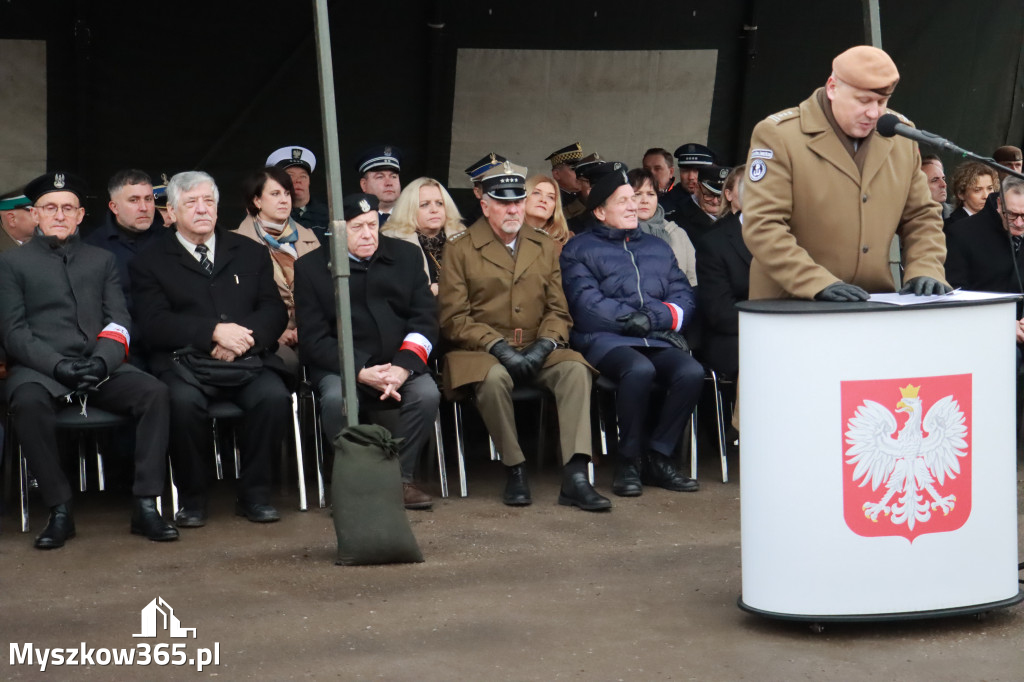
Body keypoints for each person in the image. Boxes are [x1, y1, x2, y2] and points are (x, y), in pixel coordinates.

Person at [0, 171, 178, 549]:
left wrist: (102, 361)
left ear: (81, 215)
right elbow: (14, 332)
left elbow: (119, 320)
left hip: (101, 367)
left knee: (155, 392)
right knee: (27, 402)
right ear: (35, 214)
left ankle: (146, 504)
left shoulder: (102, 260)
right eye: (50, 208)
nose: (60, 215)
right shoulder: (11, 265)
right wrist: (56, 365)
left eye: (68, 208)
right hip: (41, 370)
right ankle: (60, 510)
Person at [438, 160, 610, 511]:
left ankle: (576, 475)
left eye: (518, 201)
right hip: (481, 349)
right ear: (485, 204)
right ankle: (515, 468)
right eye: (503, 202)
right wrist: (497, 346)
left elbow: (558, 309)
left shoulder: (543, 244)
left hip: (537, 342)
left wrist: (546, 343)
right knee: (493, 377)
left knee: (576, 370)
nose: (513, 209)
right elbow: (454, 318)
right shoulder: (460, 247)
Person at [129, 171, 291, 528]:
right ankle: (193, 499)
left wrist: (242, 340)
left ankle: (255, 496)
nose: (202, 210)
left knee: (273, 397)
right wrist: (213, 333)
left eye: (209, 202)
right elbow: (152, 322)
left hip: (246, 358)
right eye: (191, 203)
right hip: (183, 362)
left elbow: (273, 310)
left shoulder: (249, 251)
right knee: (181, 404)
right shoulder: (150, 259)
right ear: (170, 212)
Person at [742, 45, 949, 301]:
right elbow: (763, 225)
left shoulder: (900, 136)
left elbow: (921, 216)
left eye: (882, 102)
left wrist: (925, 268)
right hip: (792, 305)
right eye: (863, 101)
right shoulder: (780, 135)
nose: (874, 113)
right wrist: (816, 282)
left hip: (872, 303)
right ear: (832, 88)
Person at [560, 163, 703, 496]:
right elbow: (587, 306)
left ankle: (658, 457)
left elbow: (685, 296)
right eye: (622, 200)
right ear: (599, 211)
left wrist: (652, 320)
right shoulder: (578, 248)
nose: (633, 205)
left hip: (655, 337)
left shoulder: (658, 247)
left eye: (635, 199)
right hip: (604, 340)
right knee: (638, 370)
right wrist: (636, 322)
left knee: (691, 372)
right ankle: (628, 461)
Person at [295, 193, 441, 509]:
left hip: (398, 361)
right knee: (337, 400)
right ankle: (354, 484)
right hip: (341, 366)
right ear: (336, 231)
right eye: (357, 227)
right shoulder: (310, 268)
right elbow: (313, 339)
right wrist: (358, 369)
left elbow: (425, 320)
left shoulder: (407, 256)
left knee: (427, 394)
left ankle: (401, 479)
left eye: (372, 225)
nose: (367, 234)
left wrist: (404, 366)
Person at [236, 167, 321, 375]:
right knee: (286, 363)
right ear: (257, 201)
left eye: (286, 193)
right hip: (267, 335)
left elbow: (325, 294)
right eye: (275, 194)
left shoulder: (309, 237)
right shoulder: (236, 243)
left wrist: (309, 328)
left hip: (312, 331)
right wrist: (275, 332)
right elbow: (240, 303)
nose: (284, 200)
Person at [945, 175, 1024, 363]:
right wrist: (1002, 323)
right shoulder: (962, 234)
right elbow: (954, 295)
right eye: (1011, 214)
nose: (1019, 223)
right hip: (982, 331)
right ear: (999, 204)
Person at [697, 168, 750, 381]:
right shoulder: (714, 243)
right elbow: (720, 313)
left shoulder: (791, 236)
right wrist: (768, 326)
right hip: (733, 338)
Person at [85, 169, 163, 315]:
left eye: (148, 199)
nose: (144, 208)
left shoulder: (171, 240)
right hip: (118, 333)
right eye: (133, 200)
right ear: (114, 207)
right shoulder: (93, 246)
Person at [380, 177, 464, 294]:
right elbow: (389, 292)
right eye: (424, 205)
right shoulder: (392, 242)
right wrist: (428, 292)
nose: (434, 209)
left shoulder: (463, 238)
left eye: (440, 203)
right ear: (408, 209)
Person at [628, 167, 697, 286]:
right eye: (637, 194)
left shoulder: (676, 233)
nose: (645, 200)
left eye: (650, 194)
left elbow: (693, 278)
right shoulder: (616, 233)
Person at [266, 145, 329, 242]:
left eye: (303, 176)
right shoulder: (266, 214)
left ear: (309, 181)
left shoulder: (327, 215)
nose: (298, 181)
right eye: (290, 175)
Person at [663, 142, 715, 225]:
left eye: (697, 170)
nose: (691, 177)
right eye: (685, 171)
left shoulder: (719, 201)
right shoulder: (665, 203)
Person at [678, 165, 729, 248]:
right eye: (709, 195)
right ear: (697, 189)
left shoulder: (737, 218)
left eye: (721, 196)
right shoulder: (679, 221)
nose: (715, 201)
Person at [523, 174, 571, 250]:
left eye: (550, 197)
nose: (543, 200)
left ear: (555, 208)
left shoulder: (567, 241)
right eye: (537, 193)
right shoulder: (505, 235)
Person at [357, 145, 402, 225]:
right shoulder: (355, 221)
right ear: (364, 184)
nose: (389, 183)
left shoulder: (416, 218)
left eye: (393, 177)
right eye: (380, 177)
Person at [461, 152, 508, 226]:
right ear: (477, 192)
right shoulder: (469, 225)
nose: (500, 191)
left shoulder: (517, 215)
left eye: (504, 185)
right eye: (492, 186)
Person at [946, 161, 996, 228]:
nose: (986, 196)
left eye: (990, 188)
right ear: (961, 194)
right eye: (977, 190)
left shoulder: (999, 222)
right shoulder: (950, 227)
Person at [544, 142, 585, 220]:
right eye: (574, 169)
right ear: (556, 174)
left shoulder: (587, 192)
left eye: (582, 168)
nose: (581, 173)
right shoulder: (550, 198)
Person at [921, 155, 953, 220]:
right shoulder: (904, 218)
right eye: (935, 180)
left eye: (943, 178)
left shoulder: (957, 215)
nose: (944, 184)